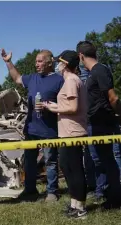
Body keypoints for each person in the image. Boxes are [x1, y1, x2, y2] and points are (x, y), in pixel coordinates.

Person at [1, 49, 64, 202]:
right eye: (36, 61)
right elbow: (16, 78)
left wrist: (50, 106)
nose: (37, 64)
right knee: (29, 161)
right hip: (31, 129)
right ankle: (30, 190)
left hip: (49, 129)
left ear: (50, 63)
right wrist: (8, 62)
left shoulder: (59, 80)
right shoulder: (32, 78)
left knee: (50, 161)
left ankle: (52, 192)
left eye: (40, 61)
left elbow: (65, 104)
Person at [76, 40, 121, 209]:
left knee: (108, 160)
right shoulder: (92, 73)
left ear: (81, 56)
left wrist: (119, 116)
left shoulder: (100, 70)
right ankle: (108, 194)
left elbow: (113, 98)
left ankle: (116, 198)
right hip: (95, 123)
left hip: (104, 123)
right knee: (101, 161)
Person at [43, 50, 88, 218]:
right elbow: (68, 107)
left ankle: (80, 208)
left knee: (74, 169)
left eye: (59, 62)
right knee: (67, 166)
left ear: (65, 65)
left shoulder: (70, 80)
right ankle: (74, 204)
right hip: (68, 132)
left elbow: (73, 108)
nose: (57, 65)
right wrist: (52, 106)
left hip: (73, 132)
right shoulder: (72, 80)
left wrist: (55, 108)